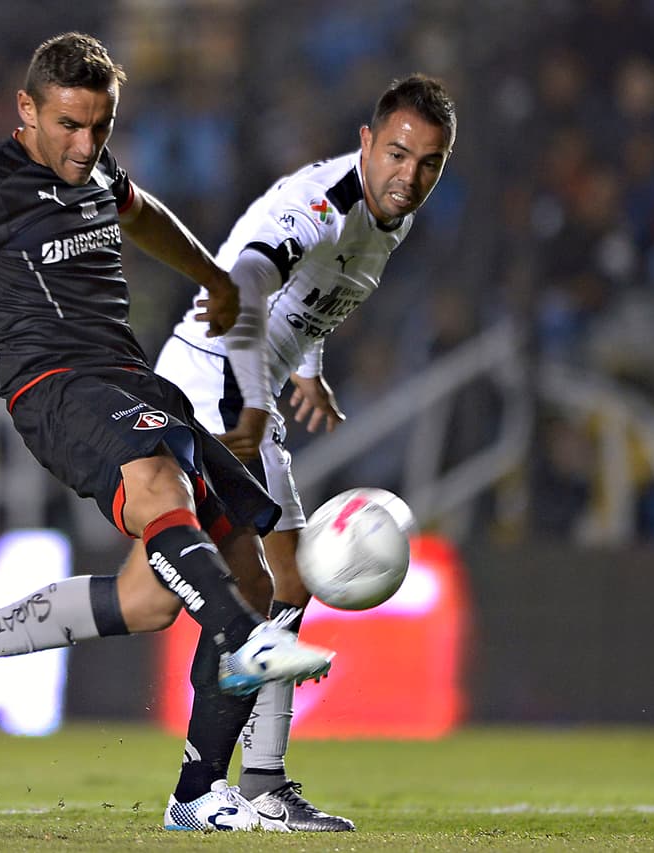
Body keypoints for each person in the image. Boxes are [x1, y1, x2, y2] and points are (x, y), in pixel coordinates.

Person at [0, 32, 335, 833]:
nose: (83, 144)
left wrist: (210, 276)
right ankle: (244, 641)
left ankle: (187, 788)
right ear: (25, 109)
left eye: (99, 126)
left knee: (216, 579)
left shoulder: (95, 167)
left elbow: (143, 215)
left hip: (132, 379)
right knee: (163, 495)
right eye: (68, 124)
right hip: (55, 387)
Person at [123, 73, 457, 831]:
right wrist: (254, 395)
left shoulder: (389, 215)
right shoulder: (321, 207)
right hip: (216, 387)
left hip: (245, 388)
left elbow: (305, 301)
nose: (411, 175)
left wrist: (306, 369)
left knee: (161, 597)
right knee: (281, 578)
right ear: (366, 143)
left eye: (429, 162)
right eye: (398, 154)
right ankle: (221, 787)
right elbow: (243, 281)